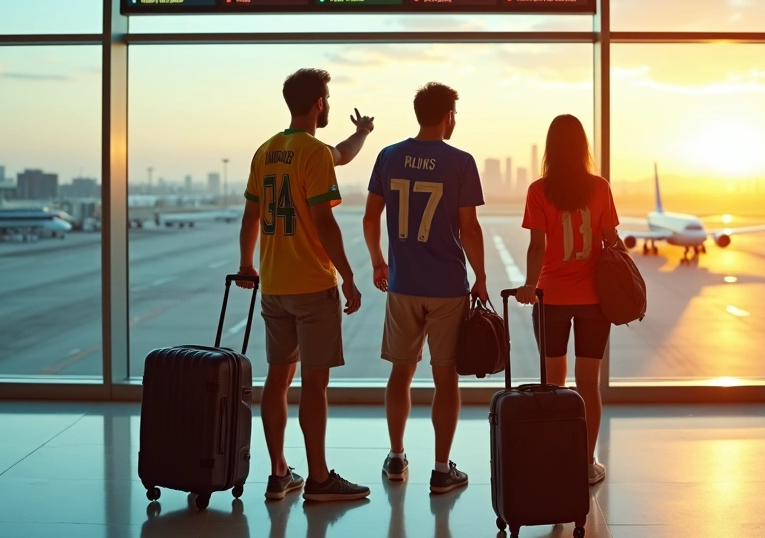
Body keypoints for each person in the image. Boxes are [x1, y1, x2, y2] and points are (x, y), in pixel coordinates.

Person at [236, 68, 373, 503]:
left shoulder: (266, 150)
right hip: (313, 285)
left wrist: (246, 264)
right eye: (327, 97)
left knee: (277, 380)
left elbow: (251, 216)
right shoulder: (313, 152)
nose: (328, 103)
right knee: (314, 385)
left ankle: (279, 474)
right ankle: (318, 479)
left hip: (274, 286)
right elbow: (324, 221)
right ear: (318, 103)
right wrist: (348, 276)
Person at [363, 82, 487, 494]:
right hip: (448, 287)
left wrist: (378, 261)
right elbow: (469, 228)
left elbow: (370, 218)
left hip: (403, 285)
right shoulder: (461, 162)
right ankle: (441, 469)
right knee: (445, 378)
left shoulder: (388, 156)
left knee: (400, 373)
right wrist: (481, 276)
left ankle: (397, 457)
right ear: (448, 116)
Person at [515, 114, 620, 486]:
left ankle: (557, 457)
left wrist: (530, 285)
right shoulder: (600, 187)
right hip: (594, 300)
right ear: (582, 147)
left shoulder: (538, 190)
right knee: (589, 384)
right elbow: (611, 240)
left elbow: (537, 247)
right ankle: (586, 463)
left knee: (554, 386)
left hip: (552, 299)